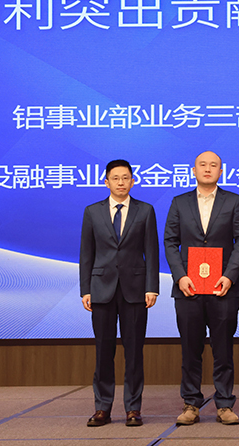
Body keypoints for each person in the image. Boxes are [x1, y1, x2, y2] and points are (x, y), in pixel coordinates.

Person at [164, 150, 239, 426]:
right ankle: (191, 404)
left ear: (221, 172)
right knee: (191, 350)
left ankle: (224, 404)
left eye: (214, 165)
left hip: (223, 288)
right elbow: (170, 241)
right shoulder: (179, 202)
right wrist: (180, 276)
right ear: (194, 170)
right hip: (188, 288)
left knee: (223, 349)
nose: (208, 169)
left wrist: (229, 276)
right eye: (203, 164)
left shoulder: (234, 201)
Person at [79, 159, 159, 427]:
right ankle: (102, 407)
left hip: (135, 291)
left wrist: (152, 287)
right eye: (116, 178)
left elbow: (151, 251)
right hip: (101, 289)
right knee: (104, 351)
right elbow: (86, 253)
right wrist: (85, 289)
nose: (121, 182)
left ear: (132, 181)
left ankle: (133, 408)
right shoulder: (92, 211)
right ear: (106, 182)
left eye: (126, 178)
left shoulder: (145, 210)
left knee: (134, 352)